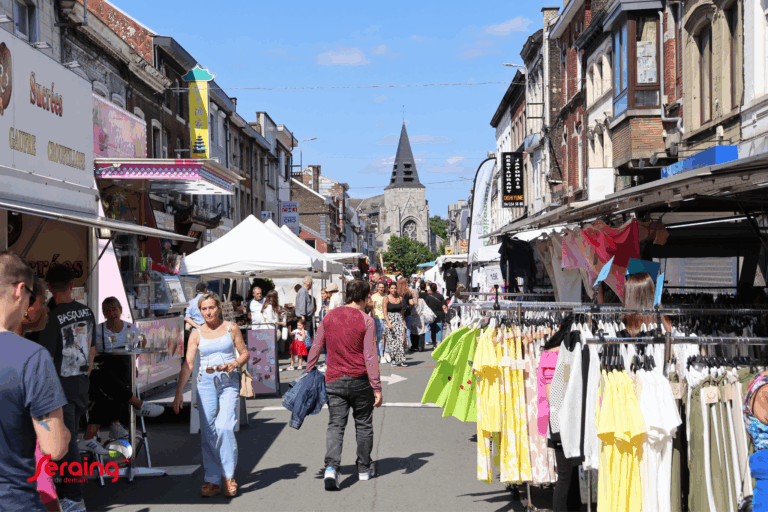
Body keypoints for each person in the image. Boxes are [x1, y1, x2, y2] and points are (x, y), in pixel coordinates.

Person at [0, 255, 70, 512]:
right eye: (31, 296)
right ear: (20, 290)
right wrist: (65, 431)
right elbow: (54, 447)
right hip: (13, 501)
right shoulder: (31, 357)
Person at [305, 279, 383, 490]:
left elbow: (316, 345)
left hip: (334, 379)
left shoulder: (329, 316)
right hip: (360, 380)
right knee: (364, 424)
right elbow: (370, 356)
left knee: (335, 425)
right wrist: (376, 386)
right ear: (366, 297)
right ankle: (364, 468)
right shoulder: (366, 320)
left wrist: (308, 371)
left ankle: (331, 468)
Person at [33, 265, 97, 512]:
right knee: (67, 443)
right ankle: (68, 495)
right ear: (72, 285)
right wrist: (85, 376)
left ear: (49, 287)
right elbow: (92, 351)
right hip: (80, 385)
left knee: (66, 446)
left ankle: (73, 498)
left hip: (59, 390)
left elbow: (46, 360)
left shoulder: (51, 318)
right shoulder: (88, 312)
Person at [173, 293, 249, 498]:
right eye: (204, 309)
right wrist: (179, 391)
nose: (208, 312)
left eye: (211, 308)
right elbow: (188, 364)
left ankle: (228, 476)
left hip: (228, 383)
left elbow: (244, 353)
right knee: (208, 433)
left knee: (224, 427)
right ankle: (213, 479)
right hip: (205, 384)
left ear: (219, 308)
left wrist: (234, 363)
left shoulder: (231, 328)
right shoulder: (197, 333)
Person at [80, 298, 163, 455]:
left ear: (120, 309)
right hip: (100, 369)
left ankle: (90, 437)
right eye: (107, 310)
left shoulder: (130, 328)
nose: (111, 314)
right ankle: (135, 406)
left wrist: (135, 362)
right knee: (109, 373)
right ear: (103, 313)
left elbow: (141, 342)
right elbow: (90, 352)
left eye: (114, 310)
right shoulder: (98, 330)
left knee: (107, 391)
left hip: (117, 372)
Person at [382, 282, 407, 367]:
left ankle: (401, 359)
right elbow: (384, 312)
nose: (393, 290)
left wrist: (404, 321)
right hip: (390, 320)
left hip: (399, 319)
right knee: (392, 342)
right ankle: (393, 359)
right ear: (389, 289)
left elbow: (402, 311)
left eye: (395, 288)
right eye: (391, 288)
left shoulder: (400, 298)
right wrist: (388, 322)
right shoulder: (386, 298)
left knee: (401, 340)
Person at [425, 282, 448, 347]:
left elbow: (426, 307)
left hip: (432, 316)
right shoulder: (441, 296)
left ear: (430, 289)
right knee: (439, 330)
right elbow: (444, 306)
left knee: (433, 330)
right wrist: (446, 314)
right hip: (440, 315)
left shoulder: (428, 297)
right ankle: (439, 343)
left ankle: (434, 344)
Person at [371, 281, 388, 363]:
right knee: (380, 337)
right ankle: (381, 355)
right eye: (380, 287)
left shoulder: (386, 296)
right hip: (377, 318)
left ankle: (386, 353)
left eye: (382, 287)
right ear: (377, 287)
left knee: (387, 336)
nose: (381, 289)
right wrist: (372, 319)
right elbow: (372, 309)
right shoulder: (374, 296)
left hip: (386, 317)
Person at [397, 277, 414, 352]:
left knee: (399, 329)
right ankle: (406, 343)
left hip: (398, 312)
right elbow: (411, 303)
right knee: (408, 329)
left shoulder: (396, 292)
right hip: (407, 312)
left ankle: (400, 343)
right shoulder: (408, 292)